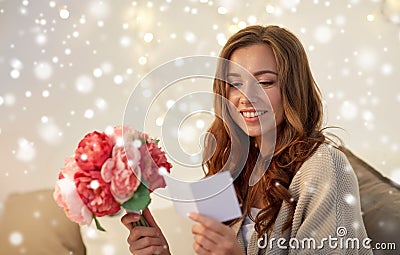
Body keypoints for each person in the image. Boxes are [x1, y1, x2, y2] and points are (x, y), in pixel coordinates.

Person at [121, 25, 372, 254]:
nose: (246, 97)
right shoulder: (227, 167)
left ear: (293, 88)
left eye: (264, 82)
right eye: (234, 84)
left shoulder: (325, 167)